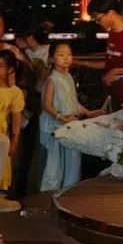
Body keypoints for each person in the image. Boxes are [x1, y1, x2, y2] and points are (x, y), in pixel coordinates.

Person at [38, 42, 105, 192]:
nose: (66, 58)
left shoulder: (68, 76)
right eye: (61, 55)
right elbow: (46, 105)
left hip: (70, 124)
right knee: (55, 162)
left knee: (73, 160)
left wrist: (88, 112)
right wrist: (61, 118)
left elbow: (72, 101)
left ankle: (69, 191)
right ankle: (49, 193)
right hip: (56, 126)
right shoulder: (52, 79)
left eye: (69, 54)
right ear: (52, 59)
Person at [74, 0, 123, 108]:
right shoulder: (112, 34)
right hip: (118, 96)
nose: (98, 23)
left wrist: (115, 72)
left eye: (98, 19)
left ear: (111, 13)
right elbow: (110, 63)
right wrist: (82, 63)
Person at [0, 50, 24, 206]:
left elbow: (16, 119)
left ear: (10, 69)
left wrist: (15, 140)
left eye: (1, 65)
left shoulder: (14, 92)